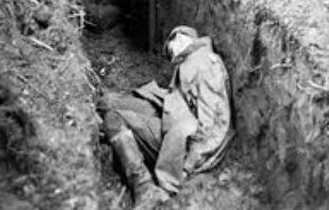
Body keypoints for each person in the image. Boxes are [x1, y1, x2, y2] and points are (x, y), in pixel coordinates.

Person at [99, 26, 233, 210]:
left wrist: (186, 167)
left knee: (114, 117)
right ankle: (109, 134)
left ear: (180, 38)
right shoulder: (191, 60)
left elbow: (217, 124)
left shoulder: (205, 64)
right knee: (108, 102)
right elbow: (180, 98)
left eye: (170, 51)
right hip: (172, 114)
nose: (171, 57)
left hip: (179, 139)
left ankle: (144, 187)